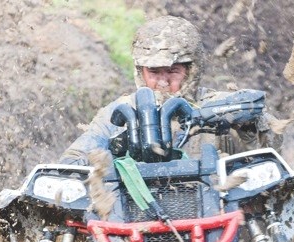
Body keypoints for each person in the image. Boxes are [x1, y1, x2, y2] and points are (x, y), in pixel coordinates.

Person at [59, 15, 281, 165]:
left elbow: (271, 145)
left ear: (190, 70)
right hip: (134, 219)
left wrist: (245, 123)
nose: (162, 81)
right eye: (154, 72)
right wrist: (112, 148)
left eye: (172, 71)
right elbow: (70, 162)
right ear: (141, 72)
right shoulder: (119, 112)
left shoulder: (217, 103)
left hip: (216, 210)